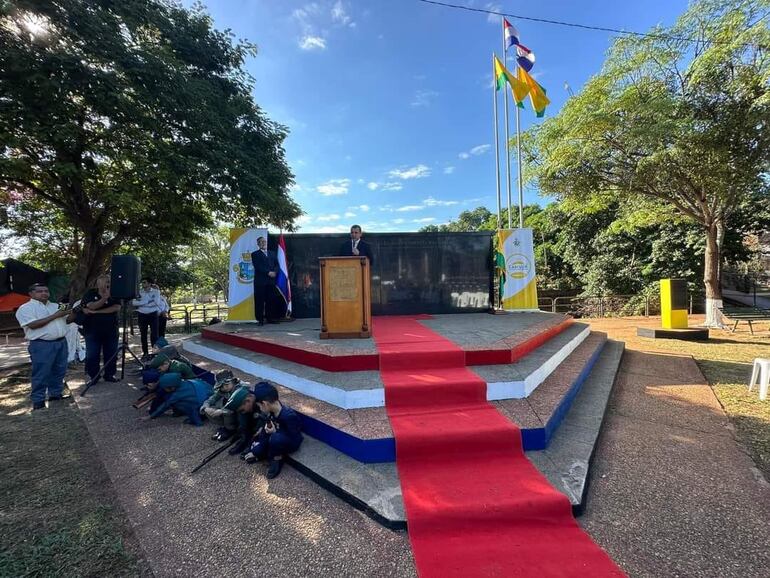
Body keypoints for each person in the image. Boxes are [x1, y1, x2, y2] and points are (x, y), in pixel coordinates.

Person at [14, 283, 77, 410]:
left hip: (61, 342)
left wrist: (76, 312)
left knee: (59, 370)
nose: (44, 293)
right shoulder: (25, 308)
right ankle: (38, 400)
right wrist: (56, 315)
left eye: (46, 291)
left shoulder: (56, 305)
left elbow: (67, 320)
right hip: (41, 345)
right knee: (41, 373)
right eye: (40, 291)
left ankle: (55, 394)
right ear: (31, 294)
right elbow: (32, 325)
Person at [229, 382, 303, 479]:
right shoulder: (271, 412)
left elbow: (294, 437)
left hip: (288, 441)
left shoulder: (289, 416)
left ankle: (277, 459)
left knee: (276, 439)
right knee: (261, 439)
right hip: (275, 435)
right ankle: (256, 451)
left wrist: (275, 432)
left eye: (259, 406)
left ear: (264, 403)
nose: (259, 408)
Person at [81, 274, 121, 384]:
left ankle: (109, 375)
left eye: (108, 281)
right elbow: (91, 306)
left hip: (111, 330)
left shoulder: (115, 293)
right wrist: (104, 299)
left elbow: (116, 307)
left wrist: (97, 312)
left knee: (111, 354)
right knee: (92, 354)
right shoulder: (90, 293)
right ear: (98, 283)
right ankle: (94, 376)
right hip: (92, 330)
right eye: (104, 282)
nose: (106, 284)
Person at [143, 372, 212, 426]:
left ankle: (197, 420)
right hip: (210, 395)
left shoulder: (176, 394)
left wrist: (151, 416)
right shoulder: (185, 382)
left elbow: (165, 405)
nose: (164, 389)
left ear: (172, 387)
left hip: (205, 404)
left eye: (165, 388)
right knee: (186, 400)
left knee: (182, 403)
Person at [200, 370, 243, 442]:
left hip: (239, 413)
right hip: (229, 410)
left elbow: (233, 407)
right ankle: (225, 427)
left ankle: (230, 429)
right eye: (222, 386)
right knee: (209, 409)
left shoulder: (240, 389)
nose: (224, 388)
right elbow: (212, 399)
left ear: (232, 381)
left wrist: (221, 411)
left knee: (226, 412)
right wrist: (205, 407)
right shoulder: (223, 390)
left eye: (226, 385)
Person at [250, 236, 278, 326]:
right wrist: (268, 272)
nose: (263, 243)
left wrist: (275, 272)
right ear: (258, 244)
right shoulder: (254, 254)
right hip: (260, 282)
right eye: (261, 242)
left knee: (270, 300)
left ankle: (270, 318)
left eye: (264, 241)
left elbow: (277, 265)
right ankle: (260, 320)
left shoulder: (272, 253)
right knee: (259, 301)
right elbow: (257, 266)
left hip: (271, 281)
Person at [131, 277, 161, 358]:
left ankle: (155, 353)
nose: (142, 284)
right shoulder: (139, 292)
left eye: (144, 282)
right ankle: (145, 353)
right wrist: (147, 302)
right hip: (142, 315)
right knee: (143, 334)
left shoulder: (156, 291)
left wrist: (141, 303)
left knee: (154, 334)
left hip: (153, 315)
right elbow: (134, 302)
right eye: (142, 282)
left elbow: (156, 302)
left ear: (149, 283)